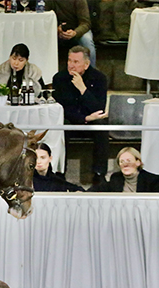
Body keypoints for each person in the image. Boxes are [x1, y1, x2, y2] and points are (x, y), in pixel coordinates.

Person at [52, 45, 108, 186]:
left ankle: (99, 174)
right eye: (69, 60)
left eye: (76, 62)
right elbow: (61, 109)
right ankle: (60, 173)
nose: (71, 65)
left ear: (86, 64)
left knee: (102, 126)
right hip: (71, 120)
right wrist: (84, 118)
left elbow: (99, 109)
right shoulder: (59, 78)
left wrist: (83, 89)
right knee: (61, 125)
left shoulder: (99, 78)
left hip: (92, 122)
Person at [88, 147, 159, 193]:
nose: (125, 164)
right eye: (122, 161)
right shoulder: (116, 178)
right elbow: (99, 189)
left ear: (138, 162)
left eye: (129, 160)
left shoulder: (151, 179)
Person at [46, 0, 97, 67]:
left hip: (78, 30)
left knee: (87, 41)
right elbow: (45, 19)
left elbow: (85, 23)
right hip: (56, 31)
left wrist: (75, 32)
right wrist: (56, 29)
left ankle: (91, 70)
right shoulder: (49, 1)